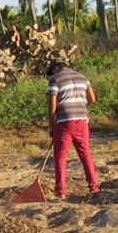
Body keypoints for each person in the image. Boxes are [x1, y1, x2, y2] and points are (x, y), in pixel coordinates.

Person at [46, 60, 100, 198]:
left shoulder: (55, 79)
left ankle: (61, 191)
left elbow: (52, 105)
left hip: (64, 121)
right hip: (82, 120)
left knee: (60, 156)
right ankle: (94, 187)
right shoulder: (82, 77)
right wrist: (80, 104)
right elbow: (92, 99)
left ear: (54, 70)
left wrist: (51, 126)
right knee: (85, 153)